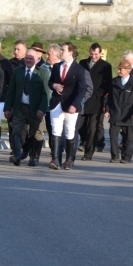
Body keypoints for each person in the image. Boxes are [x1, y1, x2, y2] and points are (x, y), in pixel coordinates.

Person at [3, 48, 48, 166]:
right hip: (20, 107)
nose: (28, 60)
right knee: (16, 131)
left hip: (35, 109)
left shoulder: (42, 73)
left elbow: (46, 94)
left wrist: (42, 109)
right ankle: (17, 155)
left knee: (37, 133)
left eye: (31, 58)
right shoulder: (18, 71)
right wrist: (7, 108)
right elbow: (11, 91)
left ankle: (34, 157)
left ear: (37, 60)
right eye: (27, 58)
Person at [48, 42, 87, 170]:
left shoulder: (79, 69)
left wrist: (75, 104)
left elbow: (81, 89)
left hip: (71, 105)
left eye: (63, 50)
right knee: (55, 131)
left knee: (70, 132)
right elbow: (50, 82)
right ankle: (55, 159)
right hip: (56, 103)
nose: (60, 52)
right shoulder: (56, 66)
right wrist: (54, 85)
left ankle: (69, 160)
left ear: (71, 52)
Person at [79, 43, 112, 161]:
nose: (93, 56)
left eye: (96, 54)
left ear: (100, 53)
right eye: (92, 54)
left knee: (92, 128)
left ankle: (88, 153)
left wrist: (98, 95)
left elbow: (107, 84)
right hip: (83, 99)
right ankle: (83, 142)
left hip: (96, 101)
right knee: (80, 127)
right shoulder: (82, 63)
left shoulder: (106, 66)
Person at [106, 59, 133, 163]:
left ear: (128, 70)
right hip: (115, 113)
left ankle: (126, 157)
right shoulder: (114, 82)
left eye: (121, 69)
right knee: (113, 136)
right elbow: (109, 98)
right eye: (119, 69)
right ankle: (115, 156)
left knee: (128, 138)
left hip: (129, 115)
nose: (119, 71)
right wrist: (107, 110)